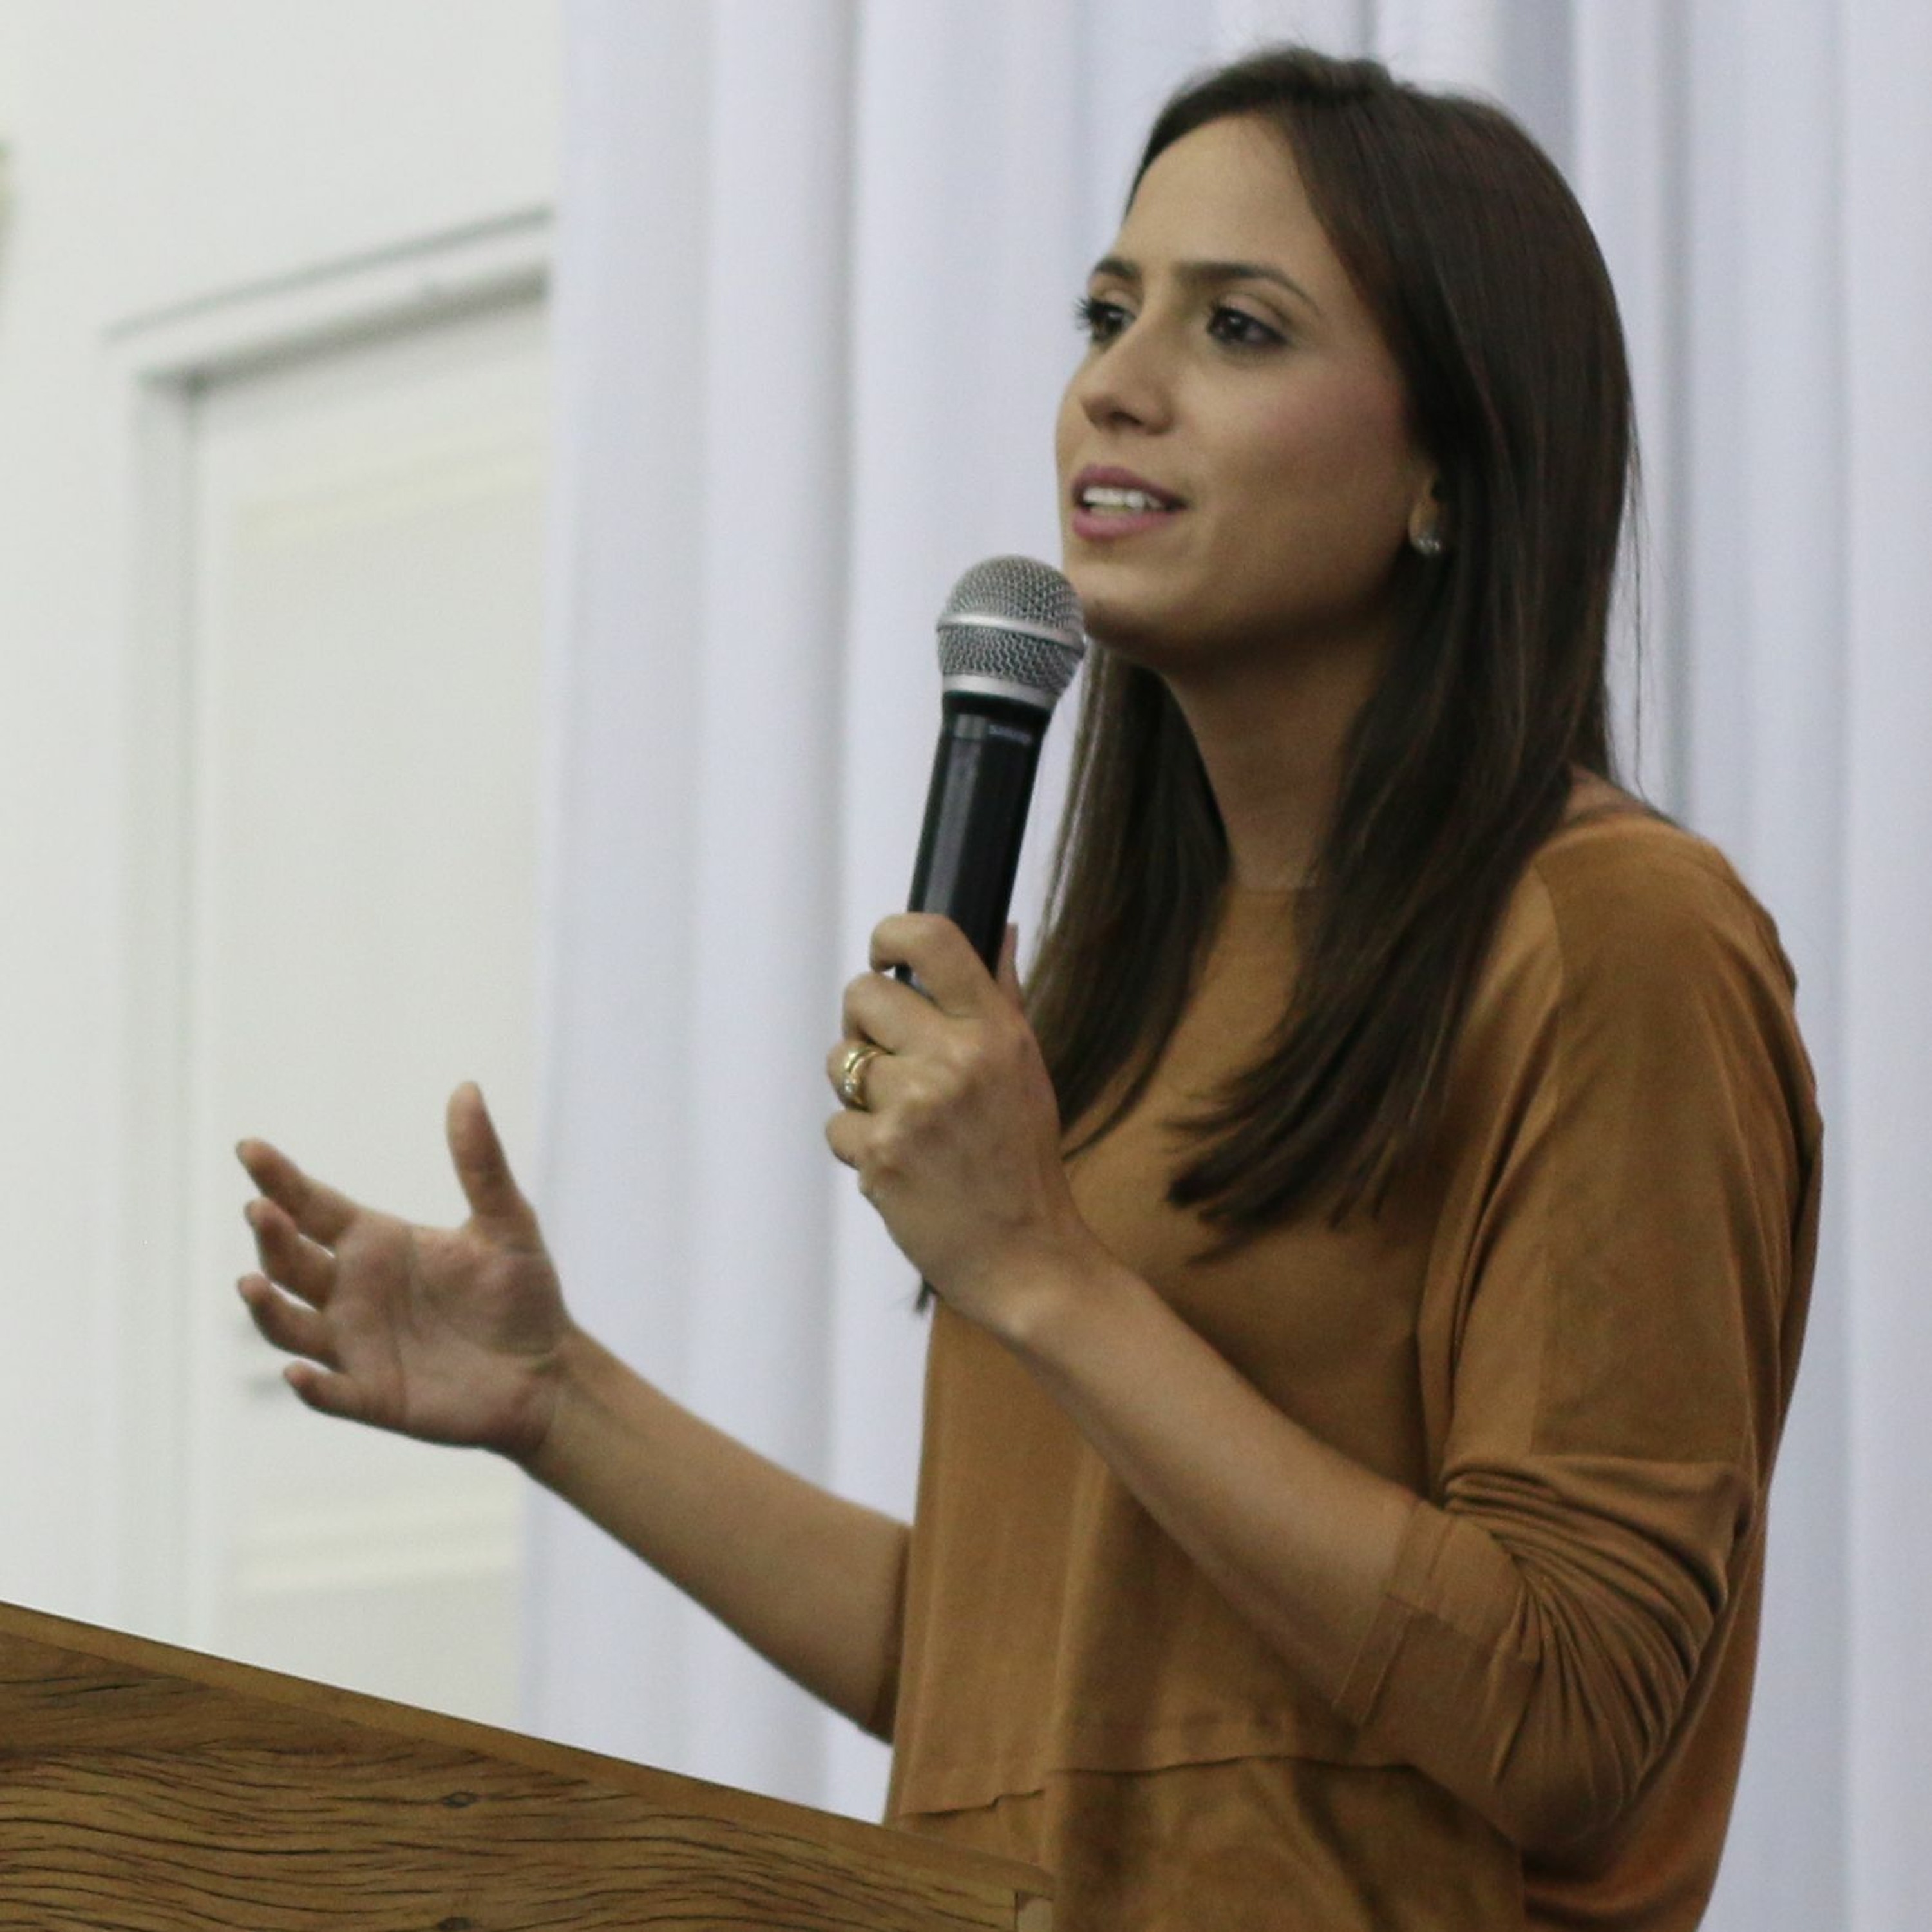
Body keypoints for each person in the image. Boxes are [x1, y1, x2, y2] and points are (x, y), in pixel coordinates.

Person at [235, 45, 1820, 1932]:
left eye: (1238, 327)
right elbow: (1022, 1687)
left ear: (1447, 474)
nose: (1116, 387)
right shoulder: (1108, 999)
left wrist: (1048, 1273)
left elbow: (1571, 1716)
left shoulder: (1615, 937)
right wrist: (558, 1399)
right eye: (1106, 312)